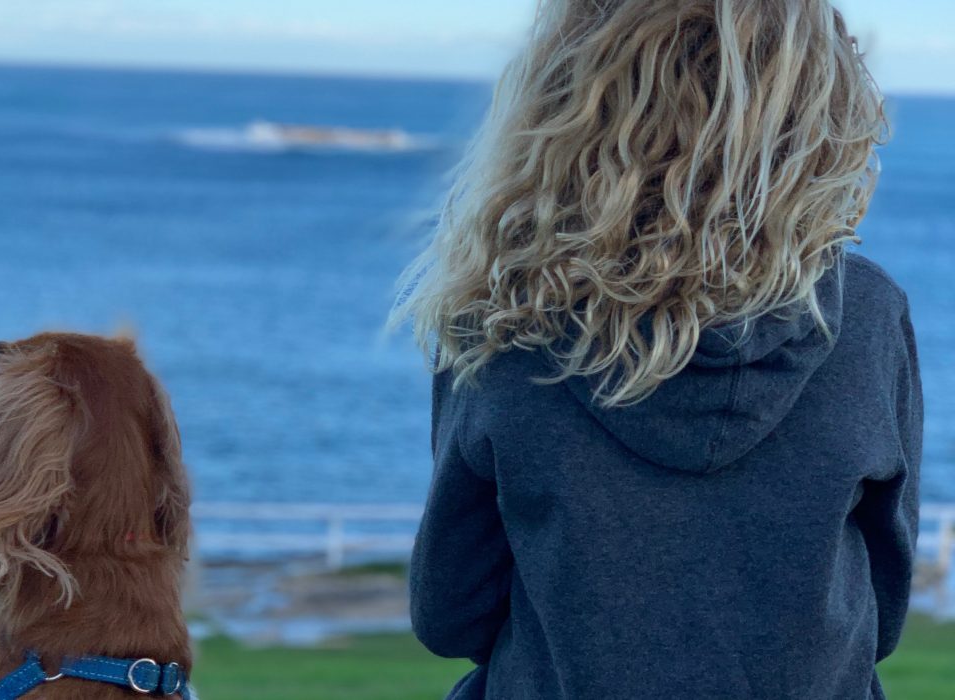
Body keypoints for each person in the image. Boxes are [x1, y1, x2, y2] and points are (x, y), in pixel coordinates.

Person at [392, 1, 923, 698]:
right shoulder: (867, 315)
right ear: (821, 114)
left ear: (562, 102)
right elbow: (881, 617)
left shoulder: (503, 320)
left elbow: (451, 616)